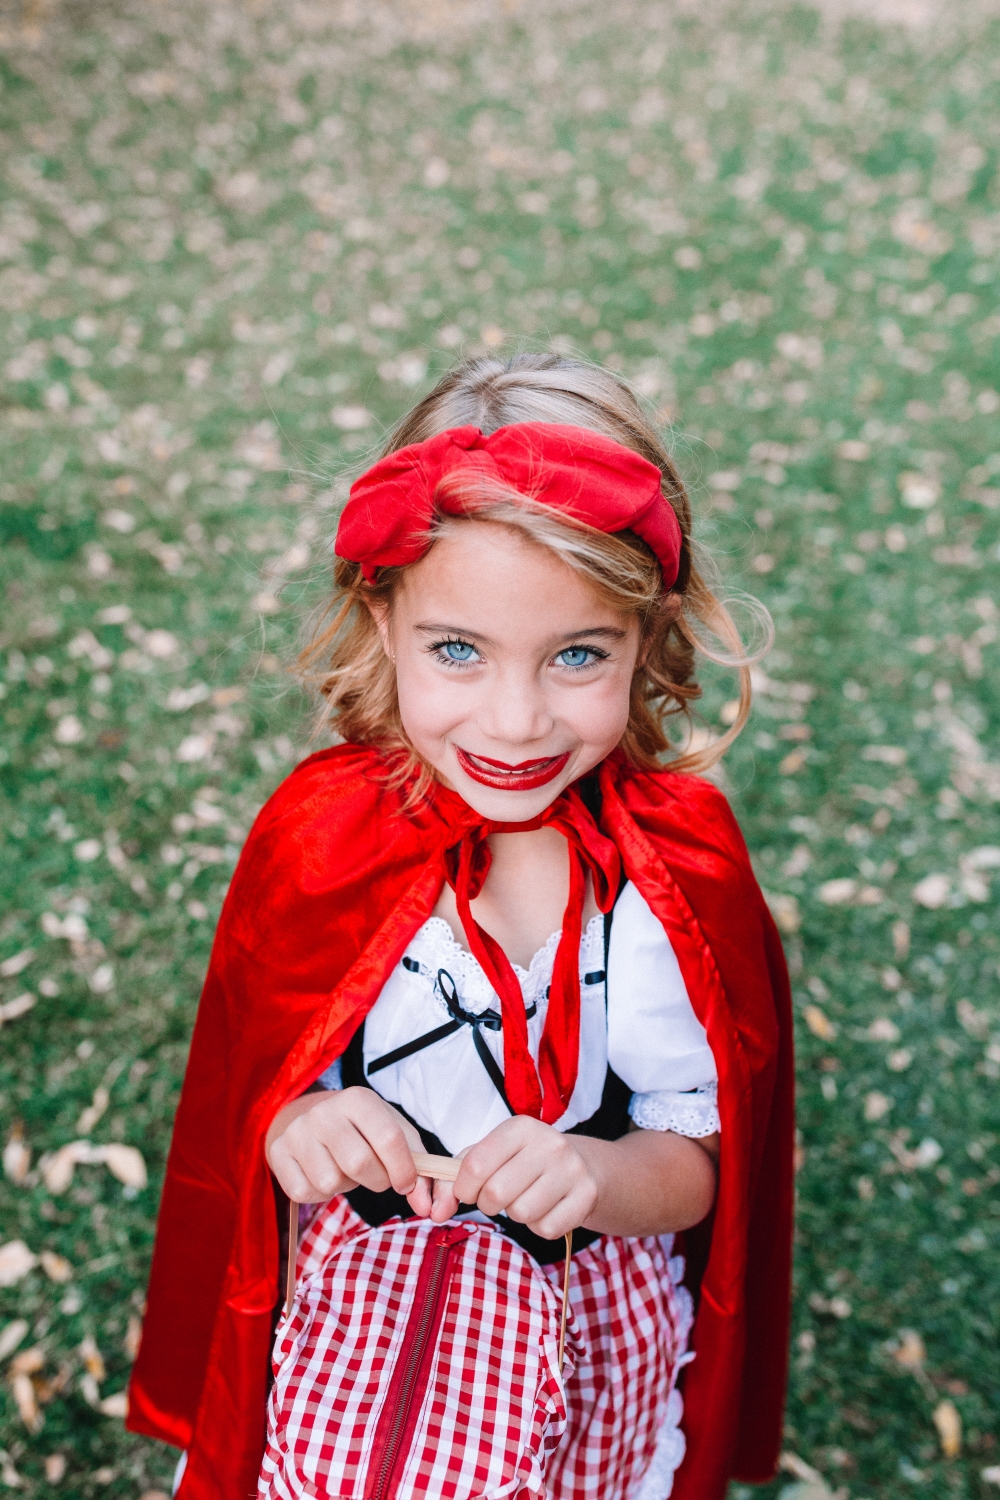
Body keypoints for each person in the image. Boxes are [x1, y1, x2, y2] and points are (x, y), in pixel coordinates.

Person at [128, 353, 794, 1500]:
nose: (517, 719)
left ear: (651, 635)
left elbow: (691, 1166)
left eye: (577, 654)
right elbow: (268, 1092)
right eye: (458, 651)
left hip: (584, 1321)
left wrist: (589, 1170)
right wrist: (305, 1127)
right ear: (381, 617)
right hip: (360, 1304)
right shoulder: (320, 836)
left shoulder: (663, 882)